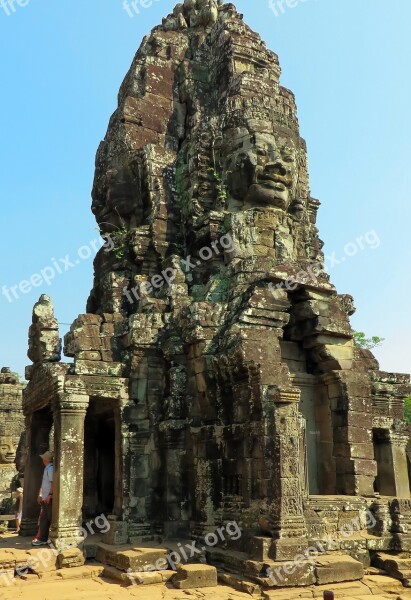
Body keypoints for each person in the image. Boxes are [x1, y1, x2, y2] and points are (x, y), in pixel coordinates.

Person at [32, 451, 53, 547]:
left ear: (45, 460)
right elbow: (44, 483)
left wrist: (50, 495)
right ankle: (43, 538)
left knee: (50, 518)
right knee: (44, 519)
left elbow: (53, 483)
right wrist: (40, 494)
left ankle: (48, 538)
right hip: (45, 497)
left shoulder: (51, 469)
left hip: (48, 498)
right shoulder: (47, 469)